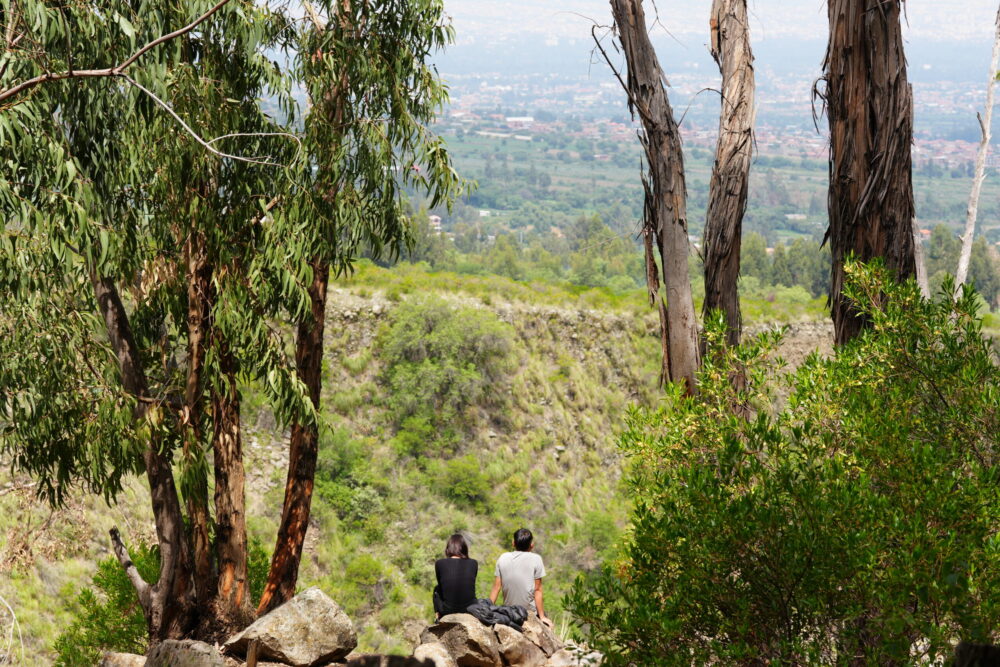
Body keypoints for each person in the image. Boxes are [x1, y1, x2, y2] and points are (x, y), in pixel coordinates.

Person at [489, 527, 552, 627]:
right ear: (531, 545)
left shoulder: (503, 557)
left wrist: (488, 608)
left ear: (513, 543)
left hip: (509, 611)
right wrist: (542, 617)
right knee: (546, 617)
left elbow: (496, 588)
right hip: (529, 612)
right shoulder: (536, 559)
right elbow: (538, 590)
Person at [433, 533, 478, 619]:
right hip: (470, 608)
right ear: (464, 548)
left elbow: (441, 586)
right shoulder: (473, 563)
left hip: (448, 610)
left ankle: (438, 617)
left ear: (448, 548)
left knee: (437, 589)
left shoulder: (439, 563)